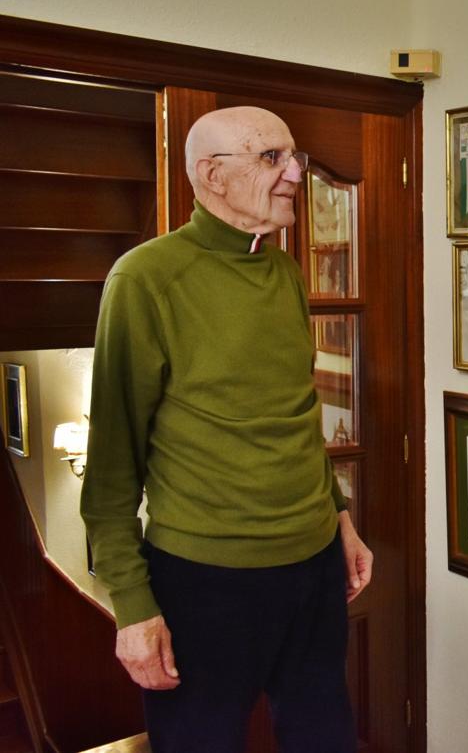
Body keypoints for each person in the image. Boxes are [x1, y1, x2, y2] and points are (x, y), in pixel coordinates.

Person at [81, 106, 372, 752]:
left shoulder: (284, 271)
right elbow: (111, 466)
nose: (296, 172)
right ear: (212, 176)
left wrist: (340, 518)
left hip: (313, 566)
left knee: (326, 739)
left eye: (292, 156)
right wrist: (133, 607)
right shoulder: (147, 278)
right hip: (205, 580)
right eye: (272, 158)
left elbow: (294, 414)